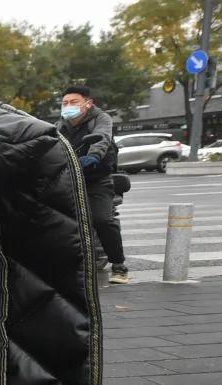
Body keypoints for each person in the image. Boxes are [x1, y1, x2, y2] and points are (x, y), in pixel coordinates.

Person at [56, 85, 128, 284]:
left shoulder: (101, 118)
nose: (68, 106)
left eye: (74, 102)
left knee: (103, 220)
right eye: (65, 103)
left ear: (88, 103)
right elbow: (49, 143)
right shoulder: (61, 125)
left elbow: (102, 138)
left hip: (97, 179)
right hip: (70, 179)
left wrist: (93, 155)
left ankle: (119, 266)